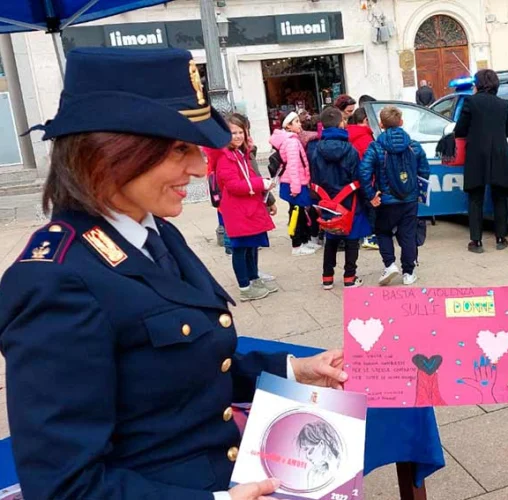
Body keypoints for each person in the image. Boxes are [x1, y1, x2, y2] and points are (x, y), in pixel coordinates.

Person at [0, 46, 350, 500]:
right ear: (109, 153)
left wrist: (295, 369)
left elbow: (191, 367)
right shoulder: (56, 282)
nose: (201, 167)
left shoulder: (153, 229)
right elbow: (65, 486)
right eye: (180, 149)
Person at [359, 106, 430, 286]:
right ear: (401, 122)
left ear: (381, 124)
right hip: (409, 199)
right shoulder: (413, 145)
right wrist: (418, 190)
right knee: (408, 234)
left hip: (386, 201)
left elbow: (364, 172)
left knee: (383, 232)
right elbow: (424, 171)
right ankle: (408, 272)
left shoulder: (375, 147)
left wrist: (370, 195)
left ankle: (390, 265)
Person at [213, 113, 278, 302]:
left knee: (251, 246)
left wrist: (264, 191)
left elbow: (248, 178)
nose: (238, 136)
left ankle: (254, 278)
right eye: (233, 132)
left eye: (240, 132)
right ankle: (245, 286)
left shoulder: (239, 154)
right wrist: (261, 185)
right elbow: (234, 185)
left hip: (248, 209)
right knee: (240, 249)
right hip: (237, 211)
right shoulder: (226, 157)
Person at [454, 69, 508, 253]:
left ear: (478, 84)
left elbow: (460, 130)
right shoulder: (503, 104)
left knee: (475, 198)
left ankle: (476, 242)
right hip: (499, 153)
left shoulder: (470, 102)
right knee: (500, 197)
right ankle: (501, 238)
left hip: (476, 154)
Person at [310, 107, 371, 289]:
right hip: (349, 201)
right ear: (341, 123)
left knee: (331, 236)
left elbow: (314, 178)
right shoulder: (350, 150)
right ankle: (349, 277)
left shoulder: (316, 150)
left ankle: (327, 277)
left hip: (328, 201)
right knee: (352, 239)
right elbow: (357, 177)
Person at [271, 112, 320, 256]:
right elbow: (293, 166)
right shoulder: (291, 142)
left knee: (299, 213)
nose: (300, 124)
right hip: (294, 183)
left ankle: (303, 241)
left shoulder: (290, 139)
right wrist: (296, 187)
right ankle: (297, 244)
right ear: (288, 126)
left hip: (295, 182)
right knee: (297, 214)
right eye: (296, 121)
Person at [348, 108, 380, 251]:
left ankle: (363, 235)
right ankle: (371, 237)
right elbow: (369, 162)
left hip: (354, 180)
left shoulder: (350, 134)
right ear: (366, 120)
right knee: (372, 208)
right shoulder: (365, 137)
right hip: (367, 180)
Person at [296, 421, 342, 490]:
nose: (307, 456)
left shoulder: (346, 467)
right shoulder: (314, 474)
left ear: (321, 445)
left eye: (309, 450)